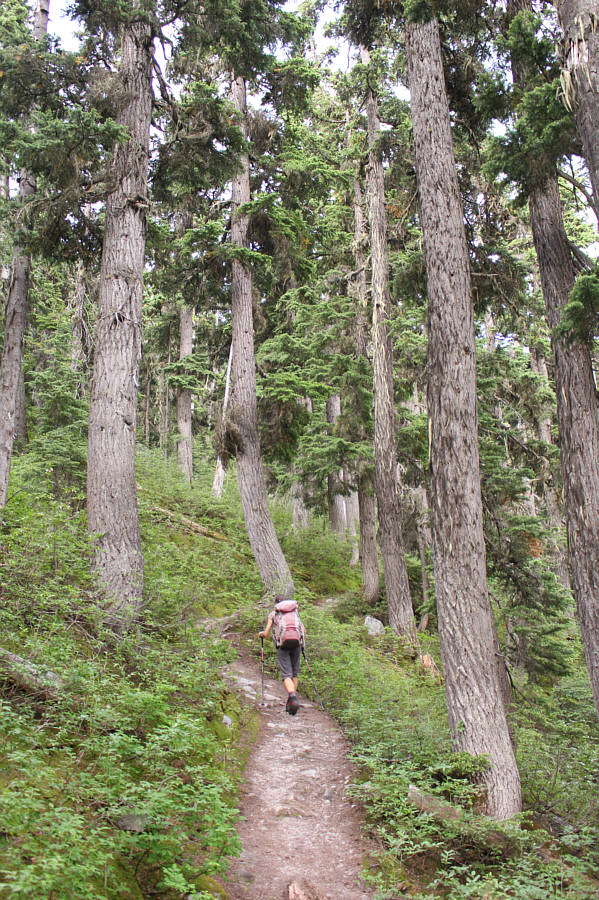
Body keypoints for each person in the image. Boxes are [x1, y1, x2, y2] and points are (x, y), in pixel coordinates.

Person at [259, 597, 305, 715]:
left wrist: (261, 634)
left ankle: (292, 697)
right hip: (296, 644)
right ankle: (291, 702)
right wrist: (302, 644)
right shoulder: (294, 612)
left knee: (286, 675)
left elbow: (266, 633)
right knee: (294, 674)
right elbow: (303, 630)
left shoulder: (274, 614)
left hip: (282, 646)